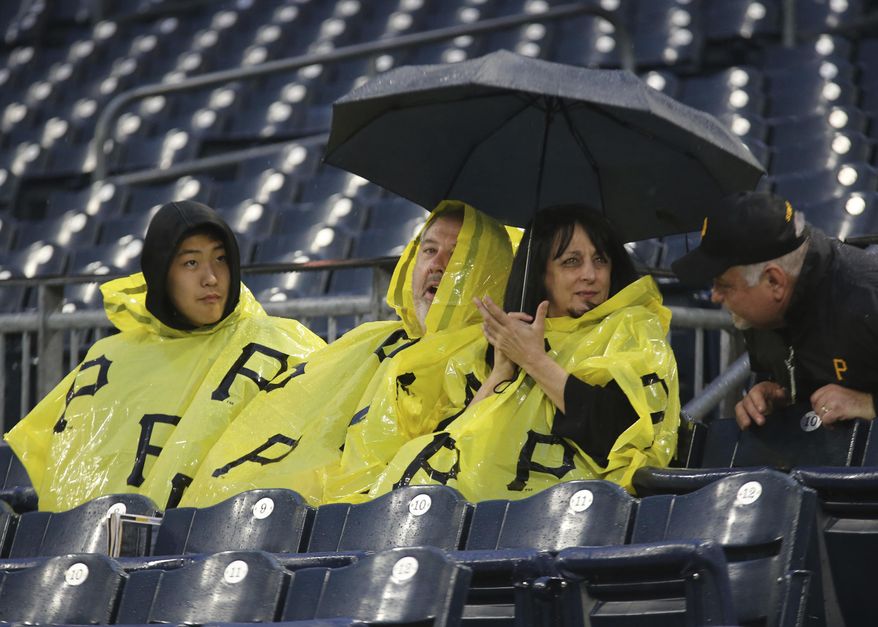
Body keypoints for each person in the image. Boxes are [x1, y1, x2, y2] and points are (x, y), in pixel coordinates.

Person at [180, 200, 515, 507]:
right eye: (429, 250)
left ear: (490, 272)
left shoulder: (496, 355)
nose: (438, 265)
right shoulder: (368, 341)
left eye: (458, 255)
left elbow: (457, 458)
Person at [4, 200, 325, 511]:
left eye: (221, 259)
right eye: (191, 263)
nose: (211, 277)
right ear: (160, 273)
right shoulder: (111, 358)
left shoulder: (279, 345)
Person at [362, 204, 680, 500]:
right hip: (476, 512)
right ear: (541, 272)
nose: (590, 275)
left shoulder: (631, 329)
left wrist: (535, 361)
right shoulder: (496, 343)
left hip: (574, 512)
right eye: (572, 261)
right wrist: (502, 372)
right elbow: (451, 446)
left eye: (600, 260)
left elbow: (615, 432)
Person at [672, 191, 878, 430]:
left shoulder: (867, 296)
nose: (715, 295)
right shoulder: (760, 315)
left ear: (774, 281)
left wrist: (869, 403)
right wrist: (777, 395)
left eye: (724, 285)